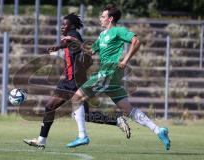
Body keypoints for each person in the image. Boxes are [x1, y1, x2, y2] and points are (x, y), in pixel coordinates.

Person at [64, 4, 171, 151]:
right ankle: (159, 130)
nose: (100, 18)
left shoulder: (118, 31)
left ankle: (82, 136)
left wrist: (125, 60)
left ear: (110, 18)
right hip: (110, 75)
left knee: (76, 98)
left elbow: (136, 41)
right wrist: (76, 42)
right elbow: (90, 51)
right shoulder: (102, 35)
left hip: (109, 71)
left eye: (103, 16)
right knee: (127, 109)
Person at [23, 13, 131, 149]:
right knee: (83, 115)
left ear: (72, 26)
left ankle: (42, 140)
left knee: (51, 107)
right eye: (62, 24)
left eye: (65, 24)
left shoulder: (74, 35)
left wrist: (58, 46)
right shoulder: (69, 36)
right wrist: (59, 47)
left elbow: (69, 41)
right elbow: (66, 43)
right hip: (68, 80)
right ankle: (116, 120)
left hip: (74, 81)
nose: (62, 26)